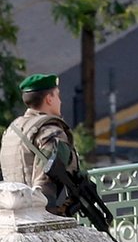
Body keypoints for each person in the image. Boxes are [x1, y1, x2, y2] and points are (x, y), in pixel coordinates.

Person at [0, 73, 82, 214]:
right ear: (49, 99)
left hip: (11, 213)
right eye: (57, 96)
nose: (60, 101)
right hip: (38, 217)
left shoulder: (13, 129)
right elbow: (46, 182)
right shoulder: (51, 132)